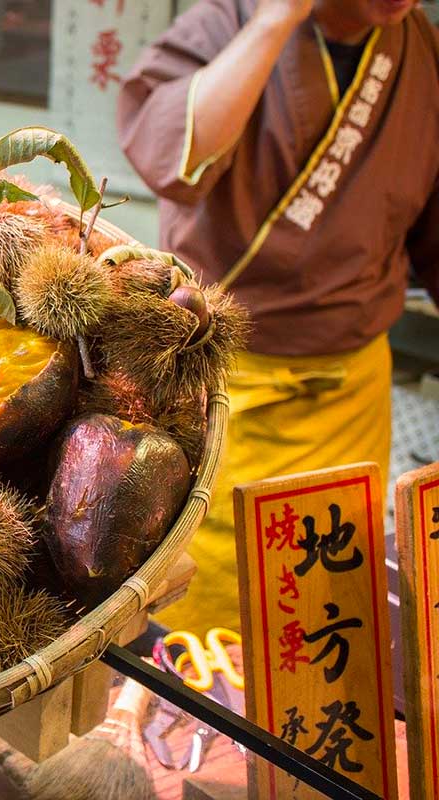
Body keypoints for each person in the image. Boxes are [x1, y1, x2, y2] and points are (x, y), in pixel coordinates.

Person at [117, 0, 439, 633]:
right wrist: (274, 22)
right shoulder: (231, 19)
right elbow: (171, 161)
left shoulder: (417, 48)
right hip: (223, 381)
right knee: (200, 615)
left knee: (323, 609)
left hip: (348, 392)